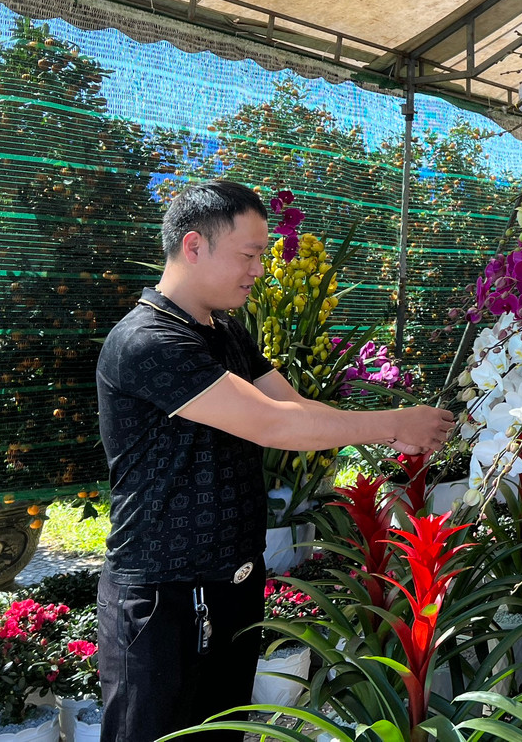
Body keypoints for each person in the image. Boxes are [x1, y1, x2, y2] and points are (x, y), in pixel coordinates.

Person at [94, 180, 454, 742]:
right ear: (194, 246)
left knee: (220, 732)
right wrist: (391, 423)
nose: (259, 268)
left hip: (228, 581)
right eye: (249, 253)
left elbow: (294, 406)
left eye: (261, 255)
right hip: (165, 593)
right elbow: (271, 424)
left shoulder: (225, 332)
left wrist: (394, 430)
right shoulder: (148, 341)